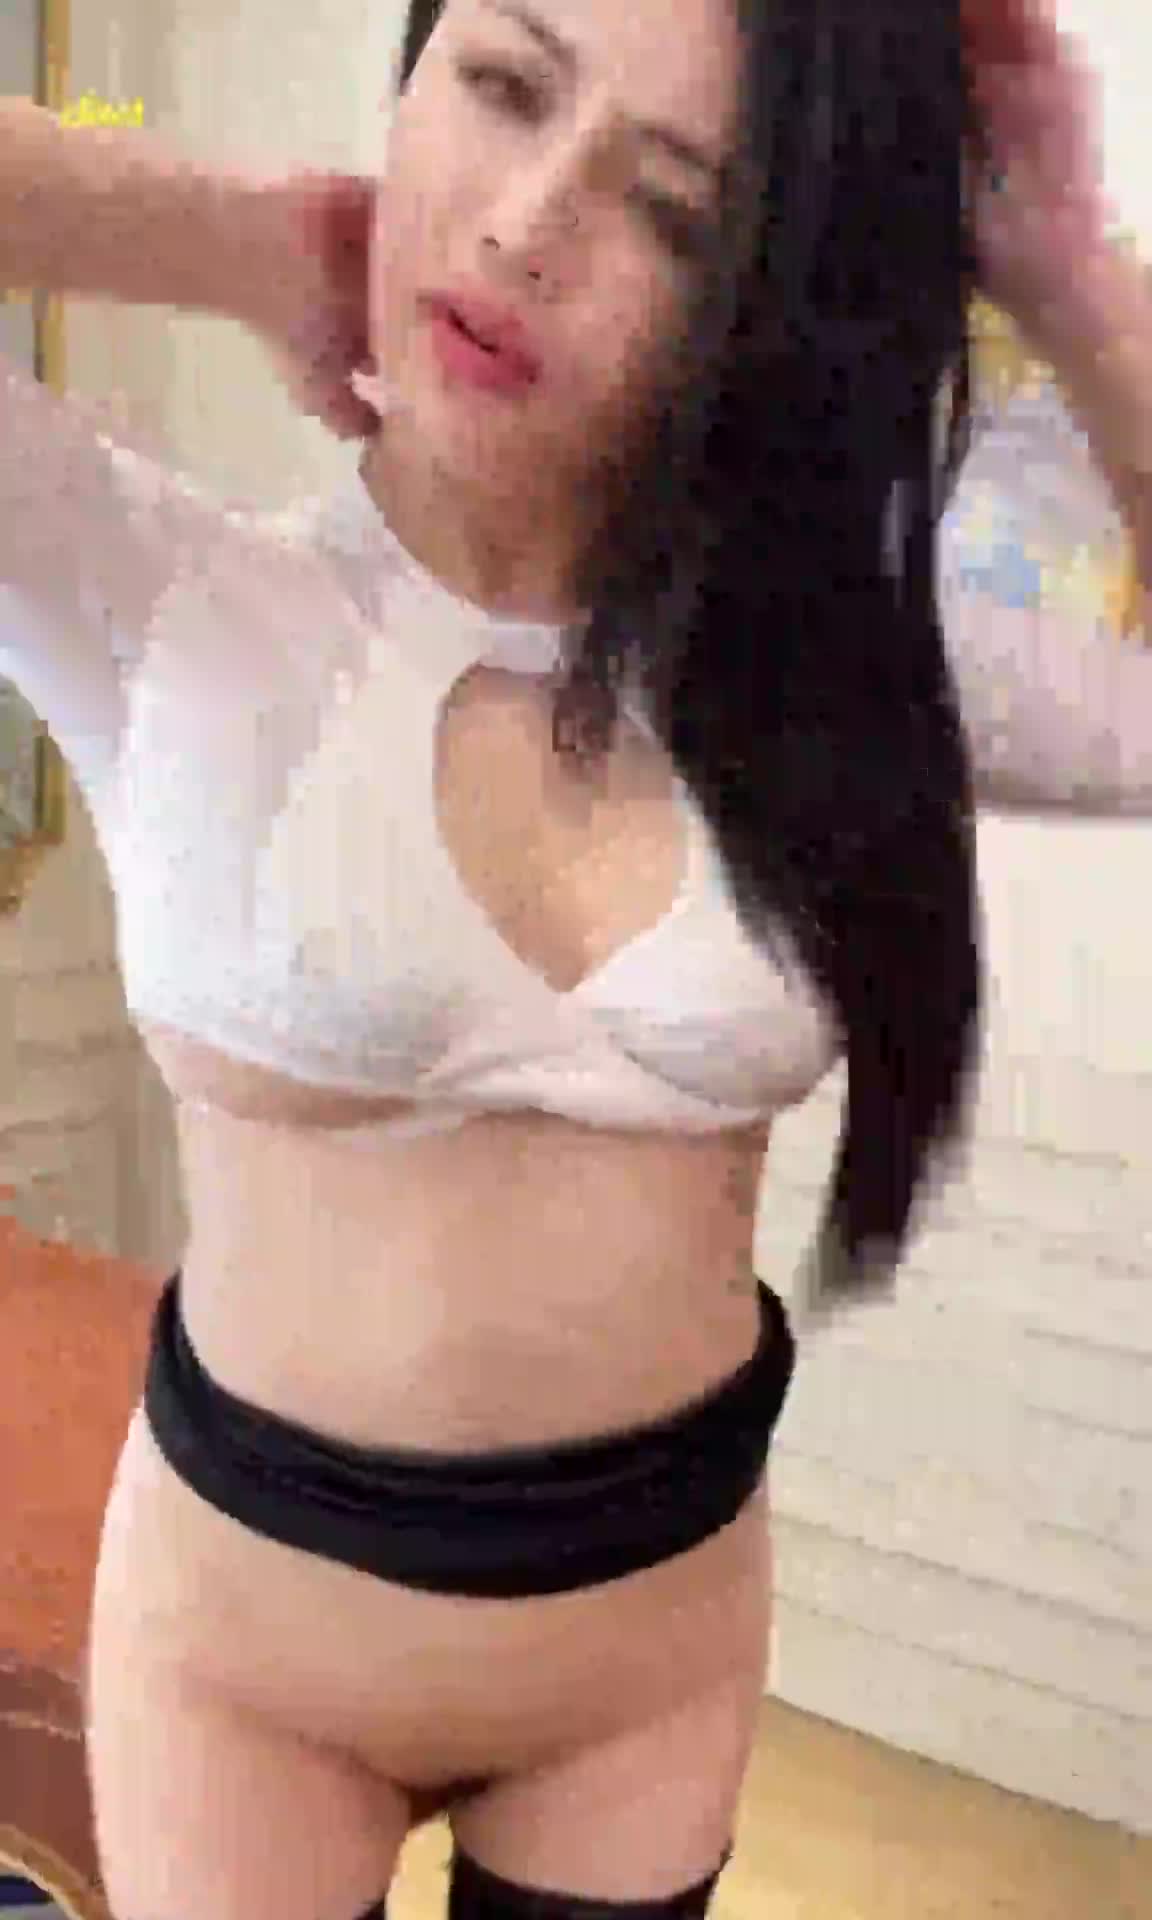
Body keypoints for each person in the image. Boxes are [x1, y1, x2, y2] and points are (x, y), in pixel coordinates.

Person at [0, 2, 1149, 1915]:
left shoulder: (855, 668)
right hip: (243, 1671)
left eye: (677, 211)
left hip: (647, 1663)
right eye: (504, 86)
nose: (530, 223)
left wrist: (1068, 272)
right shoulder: (163, 592)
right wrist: (251, 238)